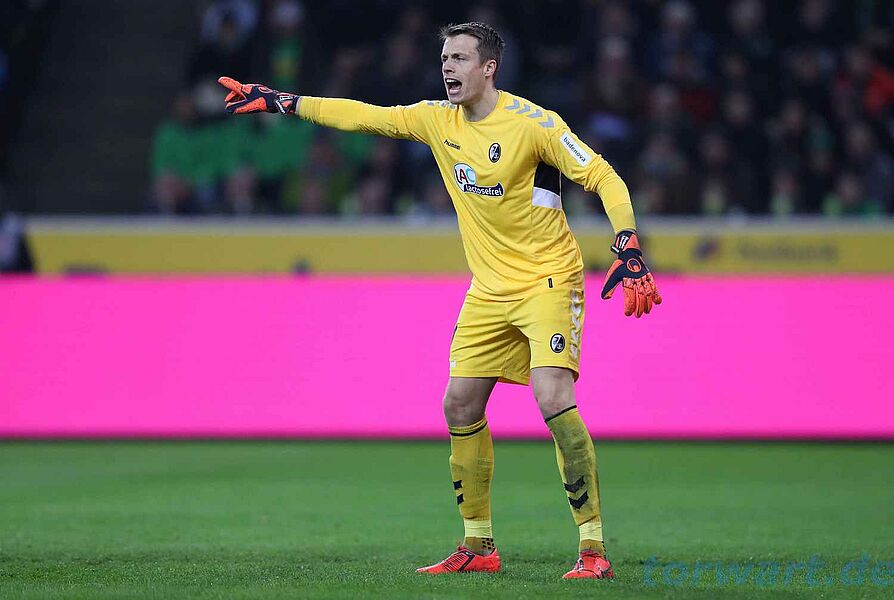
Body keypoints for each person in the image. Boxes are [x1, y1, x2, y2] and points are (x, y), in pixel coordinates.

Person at [218, 21, 661, 580]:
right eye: (445, 58)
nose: (448, 66)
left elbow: (603, 176)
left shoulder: (535, 124)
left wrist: (627, 241)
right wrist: (285, 101)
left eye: (460, 58)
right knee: (459, 404)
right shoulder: (436, 119)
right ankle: (478, 545)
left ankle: (593, 549)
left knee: (552, 397)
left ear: (489, 68)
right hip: (489, 288)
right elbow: (364, 115)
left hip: (548, 279)